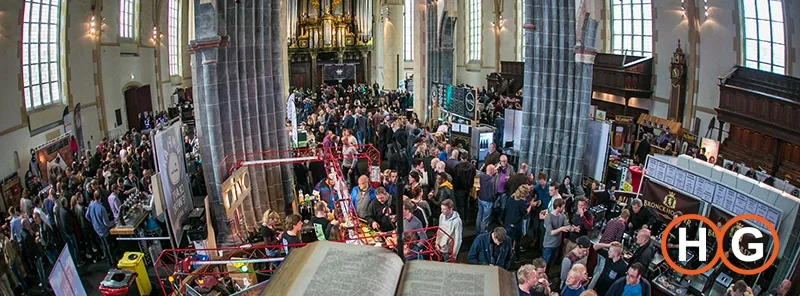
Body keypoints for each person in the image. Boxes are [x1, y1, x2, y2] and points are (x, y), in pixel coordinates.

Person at [542, 198, 577, 268]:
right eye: (563, 207)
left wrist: (573, 228)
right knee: (545, 264)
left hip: (557, 244)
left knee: (552, 263)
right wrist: (561, 228)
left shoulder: (562, 216)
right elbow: (551, 232)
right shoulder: (548, 217)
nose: (564, 209)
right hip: (548, 245)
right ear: (558, 207)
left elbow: (567, 225)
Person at [86, 190, 117, 267]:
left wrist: (93, 221)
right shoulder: (101, 208)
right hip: (104, 230)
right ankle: (113, 262)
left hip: (97, 228)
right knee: (108, 246)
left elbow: (87, 216)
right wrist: (114, 222)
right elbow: (106, 223)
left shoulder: (91, 205)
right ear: (100, 197)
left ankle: (108, 259)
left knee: (103, 244)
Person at [505, 184, 533, 260]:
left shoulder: (511, 198)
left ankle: (506, 256)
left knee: (507, 241)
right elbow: (525, 213)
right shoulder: (521, 202)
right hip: (516, 225)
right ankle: (517, 258)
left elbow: (507, 208)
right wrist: (530, 205)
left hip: (508, 222)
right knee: (517, 241)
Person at [452, 153, 476, 221]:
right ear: (467, 157)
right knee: (466, 203)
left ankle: (461, 219)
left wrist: (455, 188)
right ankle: (466, 218)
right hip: (468, 188)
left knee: (460, 205)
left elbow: (456, 179)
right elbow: (473, 177)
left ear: (460, 158)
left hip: (459, 188)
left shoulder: (458, 167)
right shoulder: (472, 167)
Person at [476, 164, 498, 234]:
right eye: (494, 170)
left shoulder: (481, 176)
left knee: (479, 216)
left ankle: (477, 231)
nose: (495, 171)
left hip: (480, 198)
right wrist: (494, 199)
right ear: (491, 171)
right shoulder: (491, 181)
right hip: (487, 202)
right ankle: (482, 233)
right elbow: (491, 193)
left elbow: (477, 186)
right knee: (485, 219)